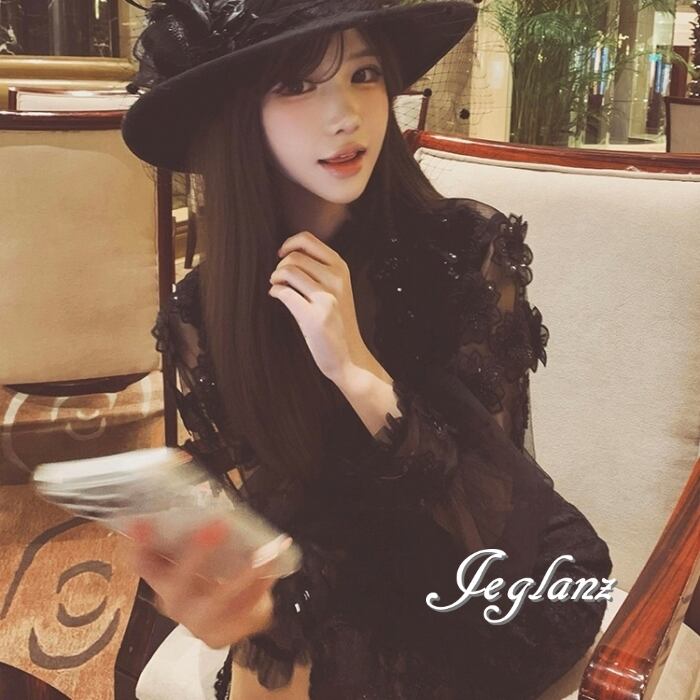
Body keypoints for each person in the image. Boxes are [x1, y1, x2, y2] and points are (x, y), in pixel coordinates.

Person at [120, 1, 614, 698]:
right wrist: (217, 552)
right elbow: (277, 506)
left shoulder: (463, 252)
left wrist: (355, 369)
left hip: (492, 584)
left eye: (364, 73)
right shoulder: (207, 306)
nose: (346, 115)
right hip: (332, 575)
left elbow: (498, 512)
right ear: (238, 115)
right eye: (298, 84)